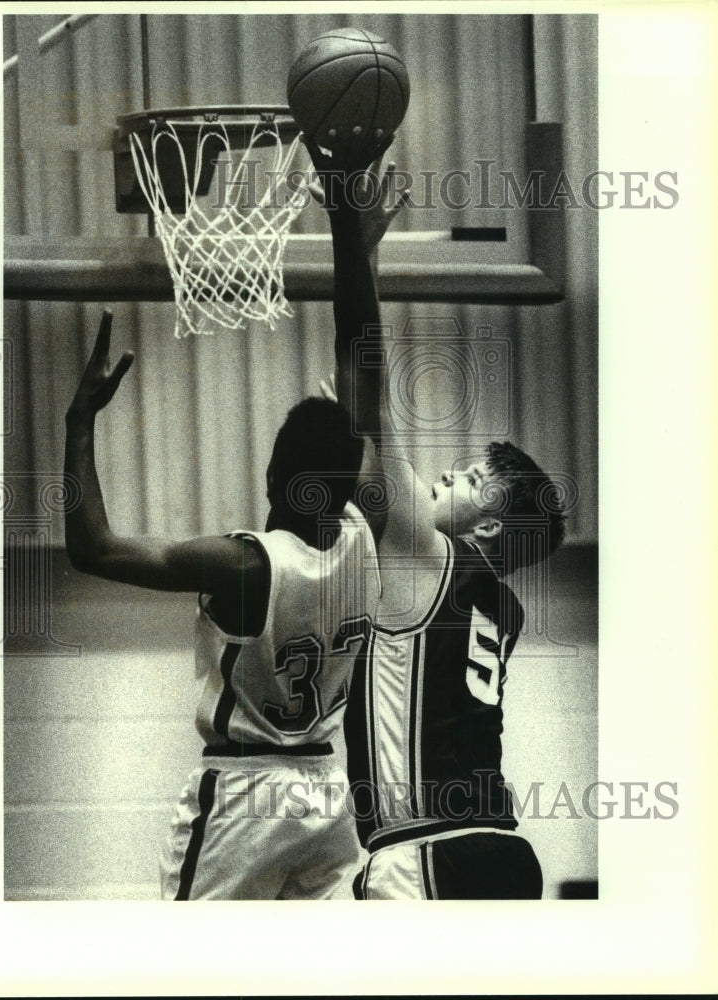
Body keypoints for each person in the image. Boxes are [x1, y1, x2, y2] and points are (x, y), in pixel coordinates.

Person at [308, 146, 567, 899]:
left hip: (429, 856)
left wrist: (348, 239)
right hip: (501, 855)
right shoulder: (499, 606)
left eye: (473, 481)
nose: (451, 472)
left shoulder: (426, 556)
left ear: (486, 529)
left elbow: (362, 370)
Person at [64, 309, 380, 900]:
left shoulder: (244, 565)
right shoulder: (367, 540)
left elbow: (92, 548)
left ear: (270, 477)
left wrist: (78, 421)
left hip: (245, 794)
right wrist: (351, 429)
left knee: (193, 970)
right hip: (327, 794)